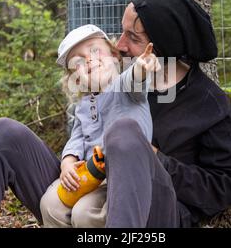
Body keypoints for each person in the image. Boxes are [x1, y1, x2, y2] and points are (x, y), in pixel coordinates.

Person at [0, 0, 231, 228]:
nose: (119, 45)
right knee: (4, 133)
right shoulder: (108, 79)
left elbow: (228, 183)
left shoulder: (208, 104)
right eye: (121, 32)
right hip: (81, 195)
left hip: (154, 217)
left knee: (124, 133)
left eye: (133, 37)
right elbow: (83, 126)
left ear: (161, 45)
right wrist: (69, 162)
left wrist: (154, 160)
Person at [40, 24, 160, 227]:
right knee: (50, 204)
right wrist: (67, 162)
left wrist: (141, 68)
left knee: (84, 214)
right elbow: (77, 138)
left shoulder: (123, 87)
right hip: (94, 177)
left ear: (114, 55)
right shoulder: (83, 106)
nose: (89, 59)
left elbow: (135, 81)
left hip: (126, 174)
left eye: (95, 50)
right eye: (78, 61)